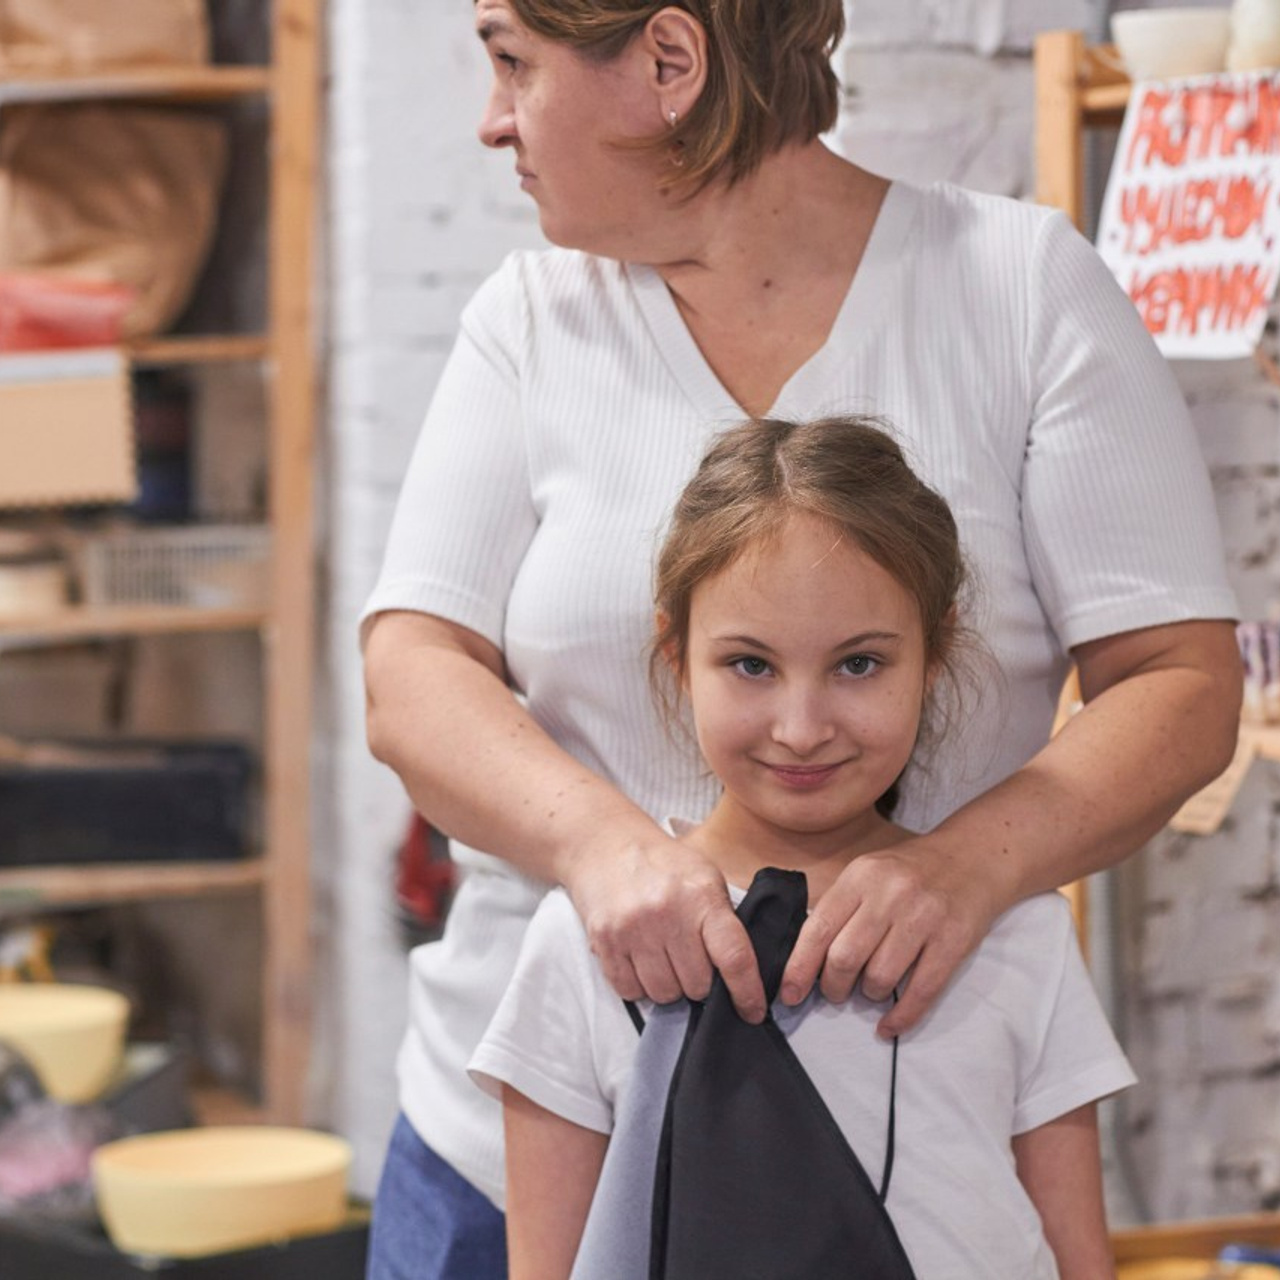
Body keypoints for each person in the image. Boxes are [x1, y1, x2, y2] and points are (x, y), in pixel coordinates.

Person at [360, 2, 1241, 1274]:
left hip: (914, 1177)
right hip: (519, 1156)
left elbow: (1178, 680)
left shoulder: (1015, 291)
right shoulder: (531, 319)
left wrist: (963, 868)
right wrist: (599, 847)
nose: (492, 120)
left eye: (512, 63)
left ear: (668, 62)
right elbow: (410, 672)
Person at [470, 414, 1135, 1279]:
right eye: (751, 665)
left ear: (933, 654)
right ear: (676, 654)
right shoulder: (591, 941)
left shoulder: (1020, 934)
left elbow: (1082, 1260)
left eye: (859, 665)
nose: (802, 728)